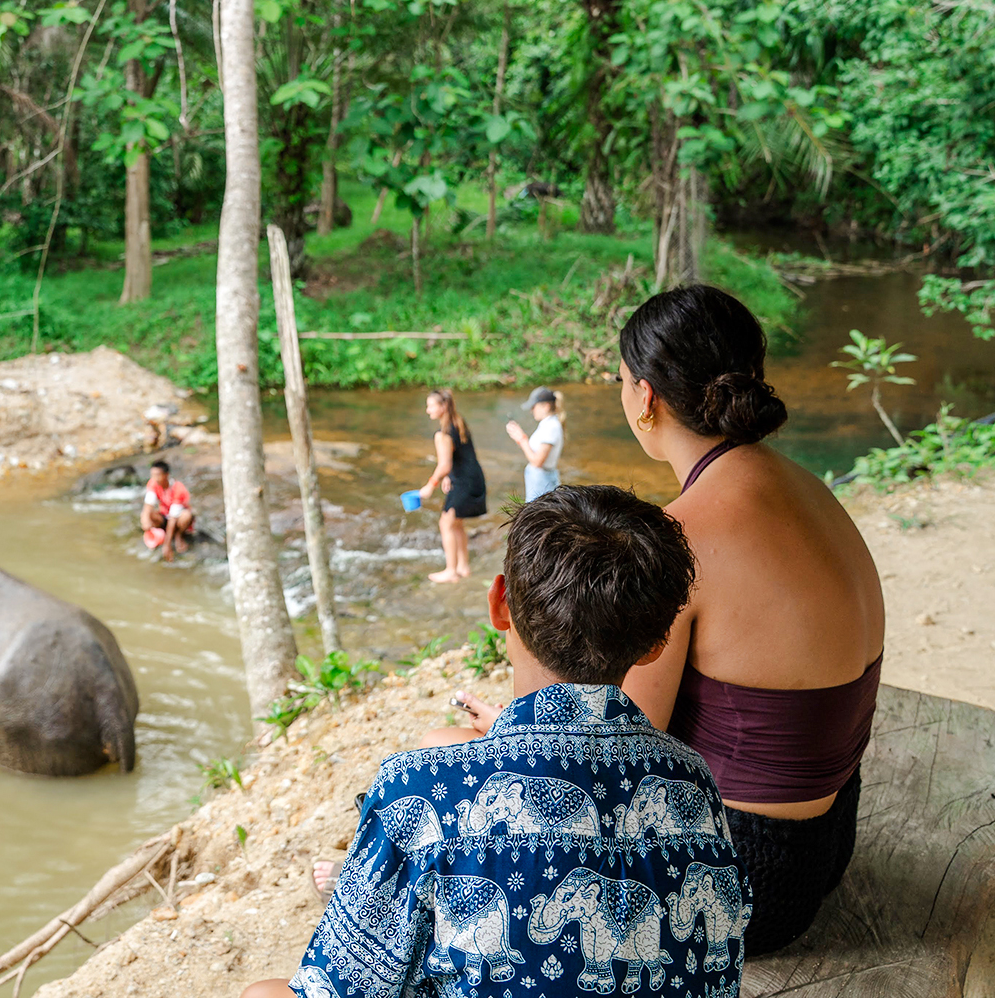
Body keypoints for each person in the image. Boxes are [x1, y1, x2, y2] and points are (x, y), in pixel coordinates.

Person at [459, 285, 883, 957]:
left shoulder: (683, 534)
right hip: (827, 835)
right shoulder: (806, 486)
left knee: (481, 778)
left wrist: (514, 734)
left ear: (646, 396)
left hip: (744, 882)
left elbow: (620, 746)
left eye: (623, 381)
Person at [244, 486, 752, 998]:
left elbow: (341, 988)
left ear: (499, 604)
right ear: (656, 644)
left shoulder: (419, 786)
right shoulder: (692, 777)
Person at [417, 388, 487, 583]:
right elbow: (459, 457)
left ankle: (451, 571)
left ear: (443, 406)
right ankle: (463, 567)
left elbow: (445, 464)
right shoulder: (459, 423)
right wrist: (449, 476)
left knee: (445, 523)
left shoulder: (442, 434)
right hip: (474, 479)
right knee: (457, 524)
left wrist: (430, 485)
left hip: (463, 483)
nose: (427, 410)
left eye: (431, 405)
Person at [506, 386, 565, 501]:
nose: (531, 410)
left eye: (533, 406)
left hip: (543, 483)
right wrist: (519, 437)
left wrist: (522, 439)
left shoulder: (551, 427)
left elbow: (537, 461)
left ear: (546, 406)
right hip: (541, 481)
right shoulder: (547, 424)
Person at [141, 460, 194, 562]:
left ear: (166, 475)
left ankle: (178, 535)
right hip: (165, 515)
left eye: (158, 475)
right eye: (153, 475)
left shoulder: (178, 488)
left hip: (177, 519)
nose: (155, 478)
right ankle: (159, 534)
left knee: (186, 515)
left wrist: (167, 545)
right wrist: (145, 522)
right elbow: (148, 505)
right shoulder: (153, 483)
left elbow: (173, 518)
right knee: (148, 515)